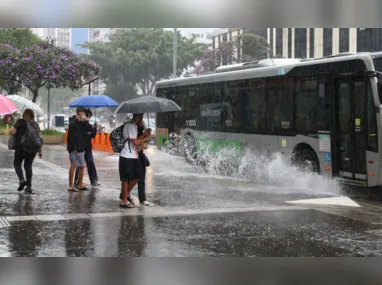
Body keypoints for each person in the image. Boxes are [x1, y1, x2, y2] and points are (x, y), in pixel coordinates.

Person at [119, 113, 152, 208]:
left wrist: (145, 135)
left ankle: (126, 194)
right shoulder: (130, 125)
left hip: (133, 156)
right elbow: (135, 142)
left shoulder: (134, 126)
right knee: (125, 179)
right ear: (138, 117)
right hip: (126, 155)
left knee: (137, 176)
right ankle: (124, 200)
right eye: (141, 116)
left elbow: (136, 140)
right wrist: (147, 137)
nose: (142, 119)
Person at [9, 109, 43, 194]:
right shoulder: (35, 124)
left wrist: (15, 124)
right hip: (32, 149)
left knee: (17, 164)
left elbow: (11, 132)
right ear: (32, 116)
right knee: (28, 166)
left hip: (21, 147)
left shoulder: (20, 122)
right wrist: (40, 150)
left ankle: (21, 180)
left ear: (24, 115)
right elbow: (39, 137)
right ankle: (29, 187)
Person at [74, 109, 100, 187]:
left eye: (89, 117)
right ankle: (77, 181)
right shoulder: (78, 124)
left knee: (91, 163)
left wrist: (94, 128)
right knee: (80, 165)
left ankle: (93, 180)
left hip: (88, 148)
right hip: (80, 148)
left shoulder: (88, 125)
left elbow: (92, 135)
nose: (88, 118)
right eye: (88, 116)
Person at [67, 107, 89, 192]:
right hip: (74, 148)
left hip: (81, 148)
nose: (84, 116)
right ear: (79, 114)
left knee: (82, 166)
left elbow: (88, 131)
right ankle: (70, 185)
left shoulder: (82, 123)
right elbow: (72, 138)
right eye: (83, 114)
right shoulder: (72, 123)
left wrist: (86, 122)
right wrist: (76, 149)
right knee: (73, 165)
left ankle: (80, 184)